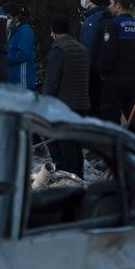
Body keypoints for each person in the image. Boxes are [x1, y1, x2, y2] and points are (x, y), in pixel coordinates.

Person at [43, 13, 91, 176]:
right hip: (81, 103)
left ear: (53, 31)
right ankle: (78, 175)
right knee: (75, 144)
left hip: (63, 105)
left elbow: (52, 80)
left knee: (63, 144)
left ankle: (67, 175)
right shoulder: (81, 48)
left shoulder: (58, 49)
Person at [98, 0, 135, 132]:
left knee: (111, 116)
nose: (109, 6)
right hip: (134, 79)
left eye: (111, 3)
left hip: (114, 78)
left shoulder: (113, 25)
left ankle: (113, 150)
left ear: (118, 5)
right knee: (134, 115)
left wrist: (102, 71)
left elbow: (108, 54)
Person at [78, 0, 110, 116]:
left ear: (92, 0)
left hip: (94, 73)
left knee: (94, 108)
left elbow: (88, 49)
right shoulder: (107, 17)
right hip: (107, 71)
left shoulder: (92, 21)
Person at [5, 3, 36, 88]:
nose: (7, 21)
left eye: (9, 18)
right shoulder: (9, 33)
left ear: (16, 17)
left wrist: (4, 59)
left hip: (23, 83)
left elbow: (23, 54)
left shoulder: (25, 31)